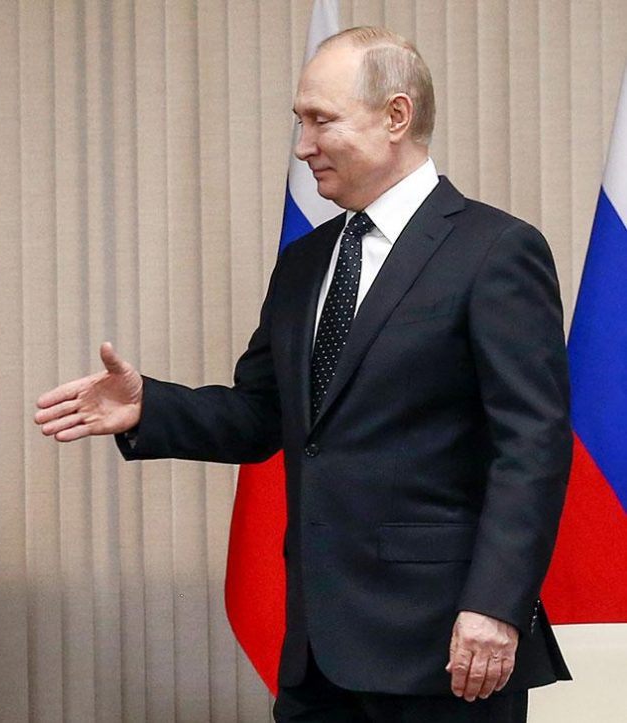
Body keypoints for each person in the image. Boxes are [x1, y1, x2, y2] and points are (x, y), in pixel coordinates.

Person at [36, 26, 570, 722]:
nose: (302, 145)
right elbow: (264, 414)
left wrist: (496, 606)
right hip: (317, 653)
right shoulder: (306, 261)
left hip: (445, 647)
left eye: (321, 120)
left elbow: (532, 445)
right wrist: (149, 407)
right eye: (300, 121)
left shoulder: (495, 250)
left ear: (396, 116)